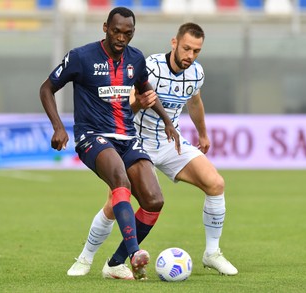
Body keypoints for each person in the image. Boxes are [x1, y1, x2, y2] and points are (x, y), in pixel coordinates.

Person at [67, 22, 238, 279]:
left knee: (215, 183)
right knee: (115, 203)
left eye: (196, 51)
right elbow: (124, 107)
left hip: (170, 142)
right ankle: (85, 258)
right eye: (186, 48)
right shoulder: (151, 67)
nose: (190, 56)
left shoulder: (196, 73)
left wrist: (202, 134)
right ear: (174, 43)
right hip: (134, 140)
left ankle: (211, 253)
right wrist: (140, 104)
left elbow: (195, 102)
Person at [39, 7, 181, 281]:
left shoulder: (136, 59)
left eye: (127, 33)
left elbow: (145, 91)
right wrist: (58, 126)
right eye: (116, 31)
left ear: (133, 33)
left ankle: (115, 264)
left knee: (154, 201)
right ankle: (134, 253)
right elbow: (46, 88)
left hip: (127, 137)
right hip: (92, 136)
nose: (121, 38)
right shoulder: (81, 57)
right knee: (121, 182)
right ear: (105, 28)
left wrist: (167, 121)